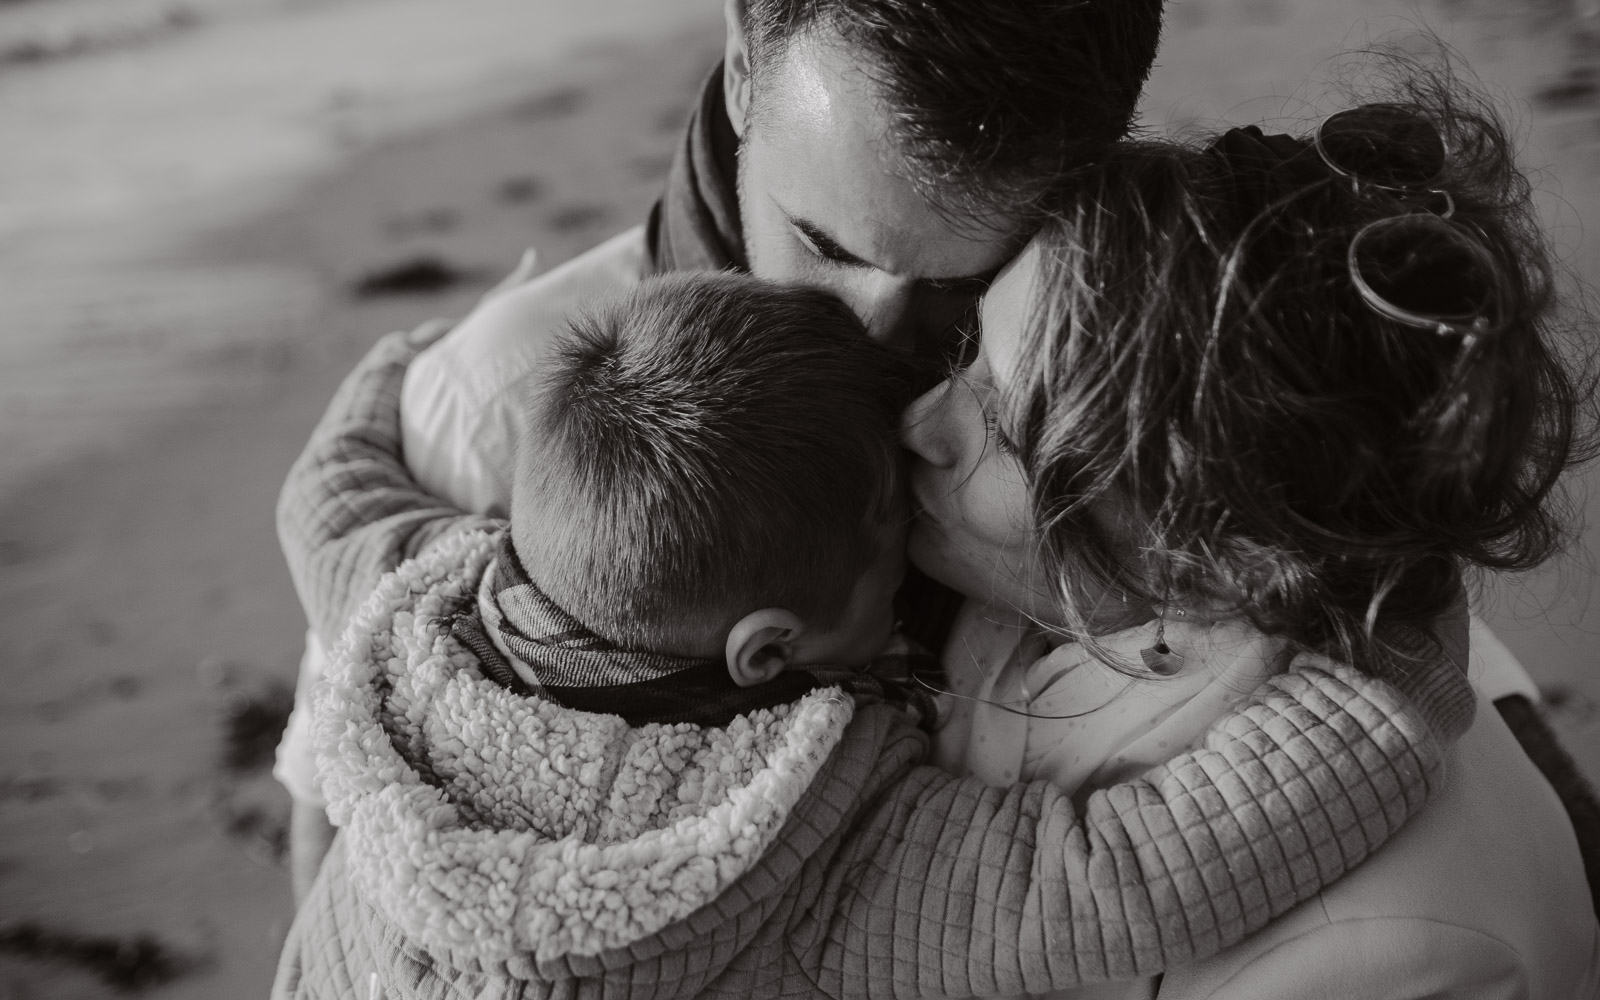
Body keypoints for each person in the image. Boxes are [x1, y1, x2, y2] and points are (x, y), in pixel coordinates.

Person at [271, 268, 1467, 999]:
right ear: (767, 652)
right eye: (892, 552)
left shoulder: (421, 596)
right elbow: (1116, 875)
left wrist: (387, 376)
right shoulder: (777, 848)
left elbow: (328, 505)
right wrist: (1383, 686)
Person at [274, 0, 1168, 896]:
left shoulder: (1142, 412)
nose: (870, 332)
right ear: (745, 60)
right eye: (822, 242)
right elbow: (347, 821)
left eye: (963, 283)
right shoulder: (491, 413)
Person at [899, 89, 1600, 995]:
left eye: (1006, 426)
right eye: (968, 356)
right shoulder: (1055, 605)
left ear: (1217, 553)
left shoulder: (1391, 954)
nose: (919, 420)